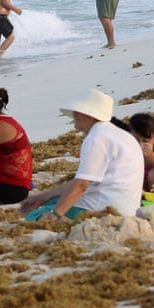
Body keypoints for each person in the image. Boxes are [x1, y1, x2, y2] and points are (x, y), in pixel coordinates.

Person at [19, 89, 143, 221]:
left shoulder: (96, 138)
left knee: (35, 216)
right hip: (127, 209)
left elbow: (82, 184)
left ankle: (64, 222)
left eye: (80, 111)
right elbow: (84, 180)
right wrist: (43, 196)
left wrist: (54, 215)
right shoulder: (119, 134)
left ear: (90, 115)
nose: (75, 114)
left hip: (104, 210)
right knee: (53, 201)